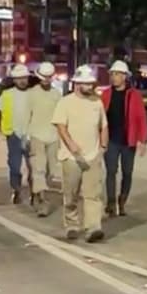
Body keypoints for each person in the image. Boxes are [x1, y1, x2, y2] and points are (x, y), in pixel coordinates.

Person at [51, 65, 109, 242]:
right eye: (87, 84)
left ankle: (93, 228)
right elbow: (60, 125)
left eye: (92, 83)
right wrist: (71, 144)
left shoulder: (96, 103)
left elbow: (103, 125)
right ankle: (72, 224)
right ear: (77, 84)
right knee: (71, 194)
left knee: (93, 194)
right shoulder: (65, 102)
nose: (91, 87)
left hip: (93, 156)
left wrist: (103, 147)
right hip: (71, 157)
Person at [101, 59, 147, 217]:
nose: (114, 77)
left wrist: (143, 139)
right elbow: (99, 116)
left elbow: (141, 118)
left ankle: (122, 201)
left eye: (117, 74)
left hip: (128, 140)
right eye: (112, 74)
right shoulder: (106, 94)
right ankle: (111, 203)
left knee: (127, 173)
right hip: (111, 140)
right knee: (111, 171)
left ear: (125, 77)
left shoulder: (134, 95)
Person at [23, 61, 62, 217]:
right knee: (38, 169)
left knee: (51, 171)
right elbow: (26, 115)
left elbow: (61, 117)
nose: (46, 80)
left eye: (49, 77)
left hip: (53, 137)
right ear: (39, 77)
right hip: (36, 136)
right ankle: (42, 201)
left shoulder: (56, 95)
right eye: (44, 77)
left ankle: (39, 193)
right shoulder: (31, 94)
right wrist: (25, 136)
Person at [0, 63, 33, 204]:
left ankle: (34, 192)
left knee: (34, 166)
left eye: (24, 77)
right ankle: (16, 189)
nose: (22, 81)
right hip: (14, 135)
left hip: (31, 135)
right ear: (14, 80)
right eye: (19, 78)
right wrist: (3, 129)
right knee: (14, 165)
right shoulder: (6, 95)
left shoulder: (34, 94)